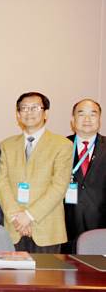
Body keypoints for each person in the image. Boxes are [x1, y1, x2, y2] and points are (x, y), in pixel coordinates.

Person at [0, 92, 72, 253]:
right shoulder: (6, 145)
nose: (29, 112)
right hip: (14, 227)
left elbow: (59, 186)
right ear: (17, 114)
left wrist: (29, 216)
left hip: (46, 227)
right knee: (10, 277)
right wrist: (16, 216)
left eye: (35, 108)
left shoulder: (62, 145)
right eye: (24, 108)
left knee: (47, 277)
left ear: (46, 113)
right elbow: (1, 183)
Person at [63, 99, 106, 254]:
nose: (87, 119)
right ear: (73, 120)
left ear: (99, 119)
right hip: (65, 227)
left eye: (93, 114)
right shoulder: (60, 146)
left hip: (101, 226)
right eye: (81, 114)